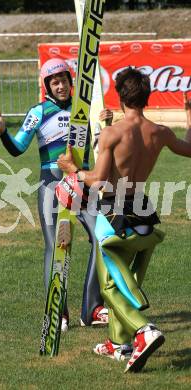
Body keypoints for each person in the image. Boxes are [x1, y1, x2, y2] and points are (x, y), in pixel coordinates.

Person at [57, 67, 191, 372]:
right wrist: (189, 117)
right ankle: (119, 345)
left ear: (120, 97)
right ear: (147, 97)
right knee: (117, 283)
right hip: (143, 214)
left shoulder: (113, 133)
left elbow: (98, 180)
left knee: (109, 287)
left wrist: (71, 170)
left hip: (114, 216)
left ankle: (145, 331)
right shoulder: (160, 132)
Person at [0, 58, 113, 331]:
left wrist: (106, 124)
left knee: (102, 239)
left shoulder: (85, 110)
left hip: (81, 182)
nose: (60, 86)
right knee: (57, 246)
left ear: (71, 82)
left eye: (63, 80)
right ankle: (59, 313)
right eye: (54, 82)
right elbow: (18, 147)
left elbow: (101, 144)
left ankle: (91, 308)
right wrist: (2, 132)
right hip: (51, 185)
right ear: (47, 85)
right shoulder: (38, 111)